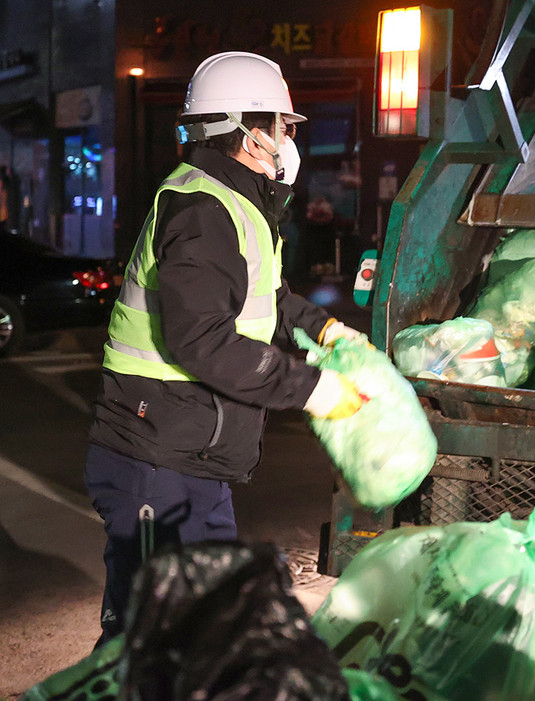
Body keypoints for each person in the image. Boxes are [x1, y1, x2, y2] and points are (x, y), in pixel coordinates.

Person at [84, 51, 368, 645]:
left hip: (194, 457)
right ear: (246, 130)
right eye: (283, 125)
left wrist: (323, 329)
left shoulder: (236, 204)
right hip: (153, 459)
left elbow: (268, 293)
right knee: (146, 639)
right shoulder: (202, 210)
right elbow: (203, 342)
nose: (290, 137)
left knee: (201, 632)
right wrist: (310, 388)